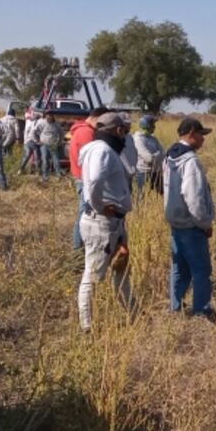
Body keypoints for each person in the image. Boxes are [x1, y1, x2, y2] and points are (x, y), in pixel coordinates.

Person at [77, 112, 135, 332]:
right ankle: (87, 327)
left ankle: (133, 313)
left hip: (113, 223)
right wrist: (100, 206)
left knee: (121, 268)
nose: (126, 136)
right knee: (92, 275)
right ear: (118, 130)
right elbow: (93, 183)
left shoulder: (102, 149)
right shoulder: (102, 150)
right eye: (125, 131)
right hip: (102, 223)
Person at [164, 118, 215, 317]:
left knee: (179, 267)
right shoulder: (191, 161)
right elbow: (193, 197)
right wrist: (204, 223)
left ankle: (175, 306)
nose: (203, 139)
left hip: (175, 220)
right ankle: (201, 310)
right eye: (202, 134)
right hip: (191, 223)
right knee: (201, 270)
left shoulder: (169, 155)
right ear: (192, 133)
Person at [70, 107, 109, 250]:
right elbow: (92, 160)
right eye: (103, 122)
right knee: (84, 214)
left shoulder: (82, 130)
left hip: (81, 177)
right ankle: (77, 248)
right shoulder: (87, 133)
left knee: (85, 213)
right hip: (84, 179)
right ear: (96, 117)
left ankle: (79, 247)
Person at [134, 115, 165, 194]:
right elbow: (149, 159)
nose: (154, 127)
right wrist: (158, 154)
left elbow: (163, 153)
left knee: (163, 193)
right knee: (142, 198)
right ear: (147, 125)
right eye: (152, 124)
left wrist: (156, 155)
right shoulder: (138, 139)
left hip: (155, 172)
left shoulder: (153, 138)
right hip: (143, 173)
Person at [34, 112, 63, 181]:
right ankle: (45, 177)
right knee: (45, 160)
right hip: (44, 145)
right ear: (46, 116)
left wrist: (59, 142)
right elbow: (34, 131)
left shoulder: (57, 124)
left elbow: (62, 133)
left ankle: (58, 176)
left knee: (56, 160)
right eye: (47, 115)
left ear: (53, 116)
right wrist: (37, 141)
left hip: (53, 145)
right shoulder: (41, 123)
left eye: (50, 115)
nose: (49, 117)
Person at [118, 113, 138, 190]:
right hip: (121, 175)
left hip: (130, 174)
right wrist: (130, 169)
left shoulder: (130, 137)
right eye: (127, 124)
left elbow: (134, 152)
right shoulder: (117, 139)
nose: (130, 126)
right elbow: (122, 156)